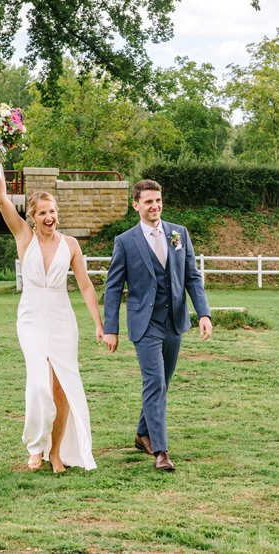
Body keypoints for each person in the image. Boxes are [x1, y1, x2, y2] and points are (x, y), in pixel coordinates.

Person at [0, 163, 103, 472]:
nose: (48, 217)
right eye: (42, 212)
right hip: (31, 317)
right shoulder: (24, 237)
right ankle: (35, 446)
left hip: (62, 318)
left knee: (62, 388)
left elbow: (85, 284)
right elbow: (1, 199)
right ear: (32, 217)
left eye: (52, 211)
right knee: (39, 384)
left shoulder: (71, 245)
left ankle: (55, 452)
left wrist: (98, 323)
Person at [103, 179, 212, 472]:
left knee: (162, 383)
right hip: (144, 323)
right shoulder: (125, 241)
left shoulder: (179, 234)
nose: (155, 206)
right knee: (154, 382)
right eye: (149, 201)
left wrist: (203, 313)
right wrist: (111, 328)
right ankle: (161, 451)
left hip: (174, 321)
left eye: (158, 200)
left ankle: (142, 434)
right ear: (136, 205)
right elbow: (113, 287)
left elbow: (192, 276)